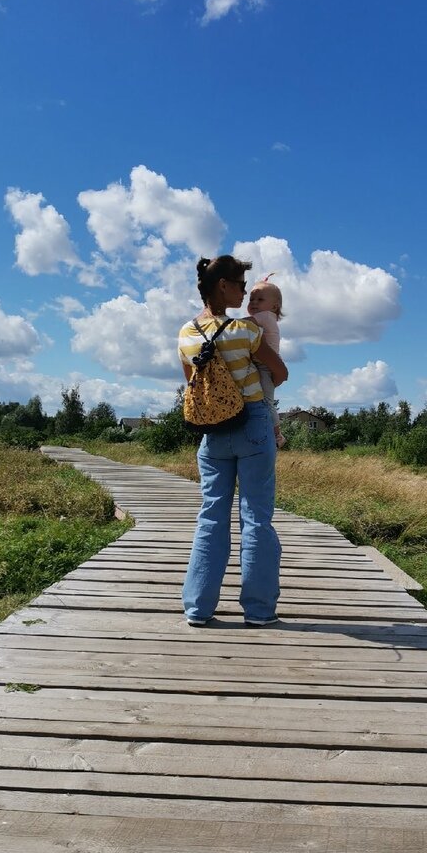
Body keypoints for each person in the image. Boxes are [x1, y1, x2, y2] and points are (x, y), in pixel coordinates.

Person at [178, 255, 288, 627]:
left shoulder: (187, 334)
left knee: (211, 517)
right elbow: (281, 372)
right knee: (256, 519)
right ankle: (258, 612)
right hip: (253, 424)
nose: (244, 291)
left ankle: (198, 608)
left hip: (212, 432)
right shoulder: (247, 330)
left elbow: (193, 384)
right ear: (223, 285)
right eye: (241, 285)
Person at [247, 276, 286, 449]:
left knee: (266, 401)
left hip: (264, 366)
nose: (254, 303)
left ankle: (277, 434)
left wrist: (224, 324)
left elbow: (244, 323)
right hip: (263, 364)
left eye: (260, 299)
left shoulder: (264, 316)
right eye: (251, 299)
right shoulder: (267, 317)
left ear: (274, 306)